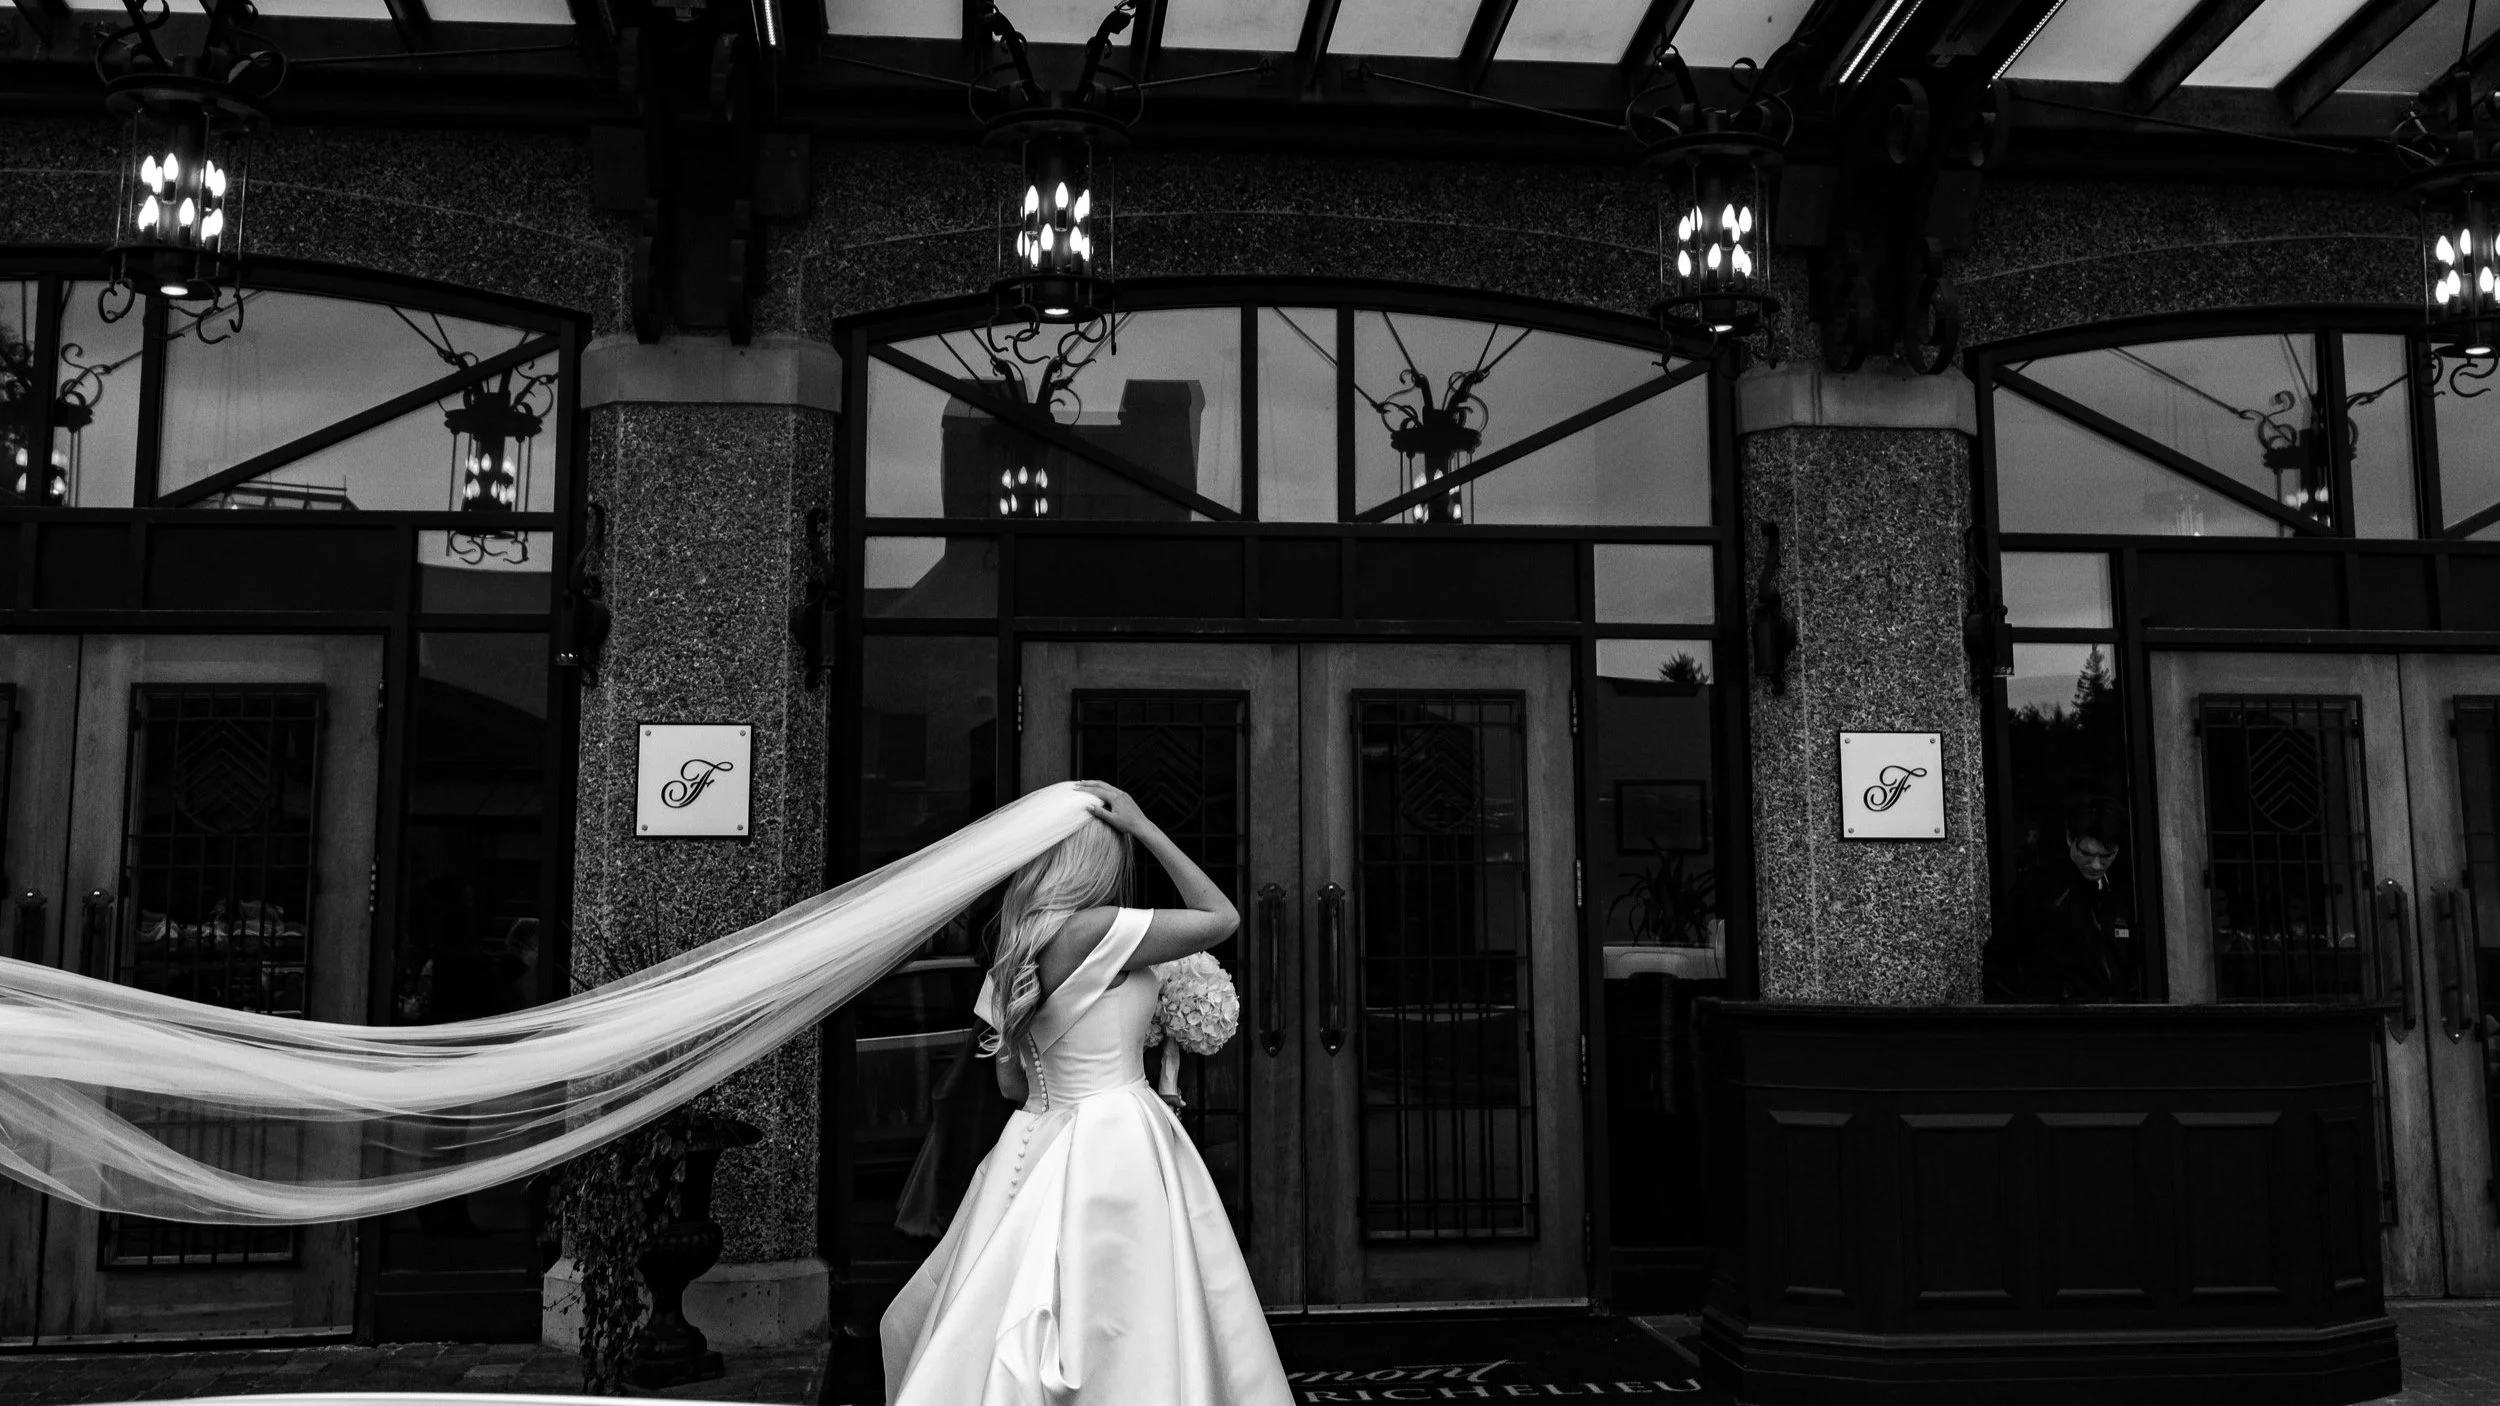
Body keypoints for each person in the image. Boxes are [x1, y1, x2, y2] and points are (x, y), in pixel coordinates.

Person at [879, 781, 1292, 1406]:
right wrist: (1147, 825)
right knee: (1129, 1305)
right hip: (1116, 1133)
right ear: (1098, 861)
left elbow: (1011, 1081)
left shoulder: (1014, 951)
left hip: (1035, 1135)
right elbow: (1223, 918)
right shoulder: (1097, 928)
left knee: (1013, 1294)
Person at [1985, 796, 2137, 1003]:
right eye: (2087, 853)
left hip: (2111, 1020)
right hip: (2055, 1023)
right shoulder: (2039, 889)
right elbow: (2001, 959)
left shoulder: (2122, 893)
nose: (2096, 865)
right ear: (2069, 840)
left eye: (2107, 856)